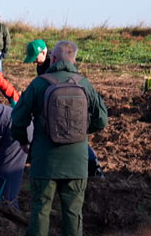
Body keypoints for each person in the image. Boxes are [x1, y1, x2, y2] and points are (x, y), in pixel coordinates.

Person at [11, 41, 108, 236]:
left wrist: (23, 141)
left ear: (52, 59)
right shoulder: (85, 84)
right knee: (73, 210)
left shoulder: (38, 84)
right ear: (74, 61)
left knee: (41, 207)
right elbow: (102, 120)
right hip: (76, 160)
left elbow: (17, 119)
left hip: (45, 159)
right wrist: (82, 130)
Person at [26, 39, 105, 177]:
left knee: (71, 132)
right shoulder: (42, 65)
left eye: (35, 58)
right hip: (53, 103)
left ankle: (94, 164)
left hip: (66, 102)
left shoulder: (55, 62)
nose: (34, 62)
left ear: (44, 53)